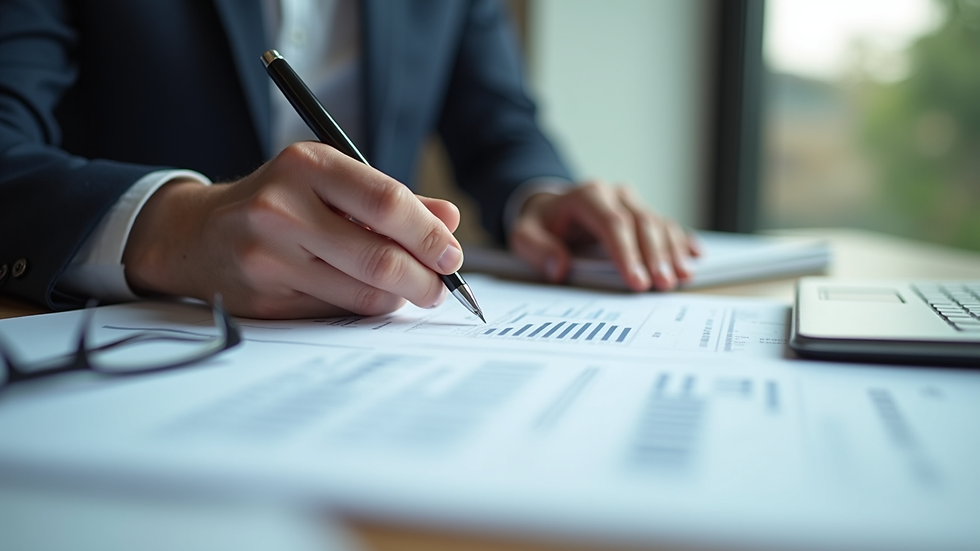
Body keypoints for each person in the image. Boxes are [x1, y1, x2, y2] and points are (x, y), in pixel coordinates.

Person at [0, 0, 699, 319]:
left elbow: (499, 125)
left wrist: (539, 195)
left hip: (362, 340)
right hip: (132, 334)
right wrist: (175, 229)